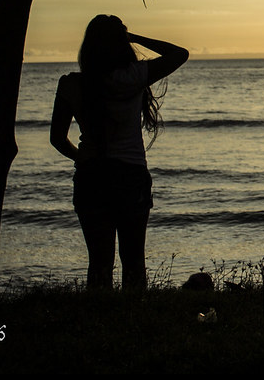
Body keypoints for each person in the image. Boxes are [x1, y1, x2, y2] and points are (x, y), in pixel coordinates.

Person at [51, 15, 188, 290]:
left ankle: (101, 322)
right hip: (130, 175)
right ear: (120, 44)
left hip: (92, 177)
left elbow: (57, 139)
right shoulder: (133, 77)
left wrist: (84, 158)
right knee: (134, 261)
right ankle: (133, 321)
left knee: (99, 263)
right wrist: (134, 38)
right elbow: (179, 54)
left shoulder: (71, 84)